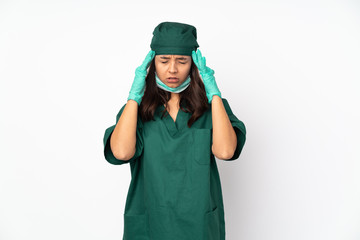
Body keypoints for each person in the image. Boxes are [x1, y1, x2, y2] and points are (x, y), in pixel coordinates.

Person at [103, 21, 246, 240]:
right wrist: (134, 97)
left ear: (193, 64)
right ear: (152, 64)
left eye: (182, 61)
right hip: (150, 225)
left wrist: (214, 93)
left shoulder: (213, 109)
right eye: (163, 60)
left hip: (198, 225)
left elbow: (225, 151)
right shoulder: (135, 112)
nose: (172, 69)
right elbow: (122, 152)